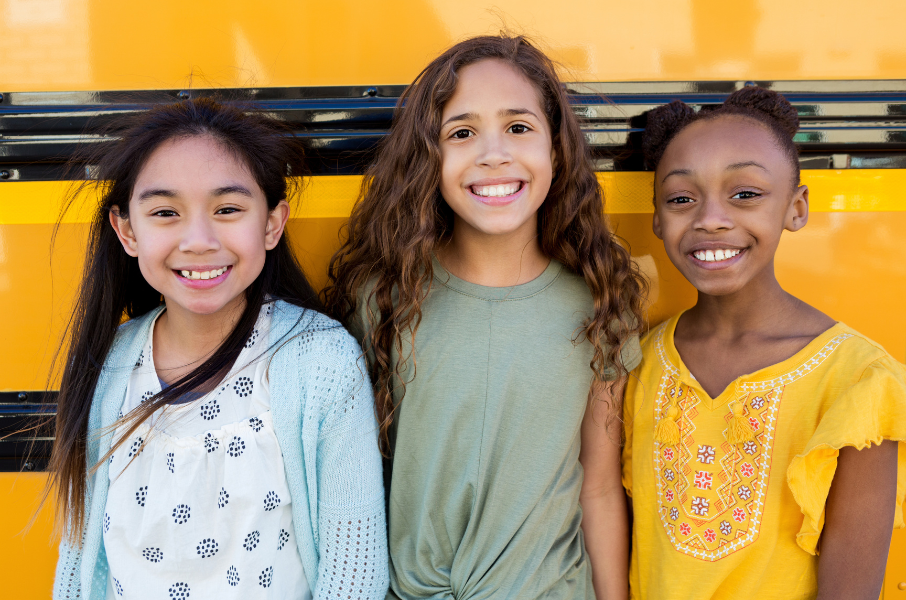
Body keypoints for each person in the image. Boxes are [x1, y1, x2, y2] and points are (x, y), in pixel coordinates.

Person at [325, 36, 645, 599]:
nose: (493, 153)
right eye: (462, 132)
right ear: (430, 159)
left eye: (518, 127)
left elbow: (598, 487)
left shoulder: (600, 300)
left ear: (557, 152)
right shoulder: (384, 296)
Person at [46, 98, 388, 600]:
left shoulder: (320, 362)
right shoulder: (109, 363)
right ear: (126, 230)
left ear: (272, 224)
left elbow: (354, 574)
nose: (199, 240)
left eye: (228, 209)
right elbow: (79, 561)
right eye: (166, 212)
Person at [623, 86, 906, 599]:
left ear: (795, 208)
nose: (710, 218)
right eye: (682, 198)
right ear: (658, 219)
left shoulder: (860, 381)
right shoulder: (635, 366)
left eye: (745, 194)